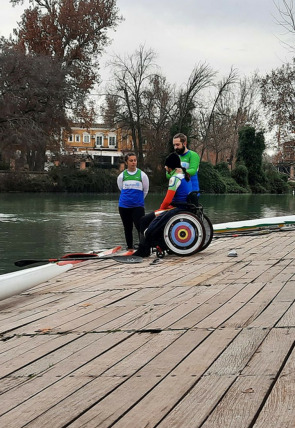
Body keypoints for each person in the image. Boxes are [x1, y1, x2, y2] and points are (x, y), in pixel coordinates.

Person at [134, 152, 192, 257]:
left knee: (143, 220)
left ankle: (144, 249)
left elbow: (167, 201)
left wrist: (159, 211)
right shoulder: (185, 176)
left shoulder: (175, 178)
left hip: (176, 208)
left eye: (166, 165)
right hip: (184, 207)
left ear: (170, 166)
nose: (165, 168)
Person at [117, 152, 149, 252]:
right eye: (131, 161)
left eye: (135, 160)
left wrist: (138, 200)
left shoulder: (142, 175)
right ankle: (130, 248)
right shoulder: (121, 176)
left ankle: (143, 248)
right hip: (124, 206)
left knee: (140, 227)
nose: (133, 162)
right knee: (127, 228)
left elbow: (146, 190)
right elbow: (121, 188)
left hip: (137, 206)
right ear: (127, 162)